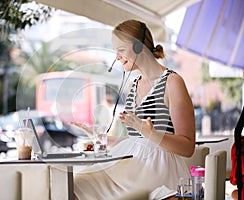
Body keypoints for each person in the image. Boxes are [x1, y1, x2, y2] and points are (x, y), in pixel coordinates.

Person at [72, 19, 196, 200]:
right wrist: (103, 137)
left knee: (81, 182)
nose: (116, 57)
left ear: (138, 48)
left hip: (158, 173)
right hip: (135, 169)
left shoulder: (172, 82)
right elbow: (138, 142)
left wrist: (152, 134)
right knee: (76, 183)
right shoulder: (133, 85)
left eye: (121, 50)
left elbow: (188, 147)